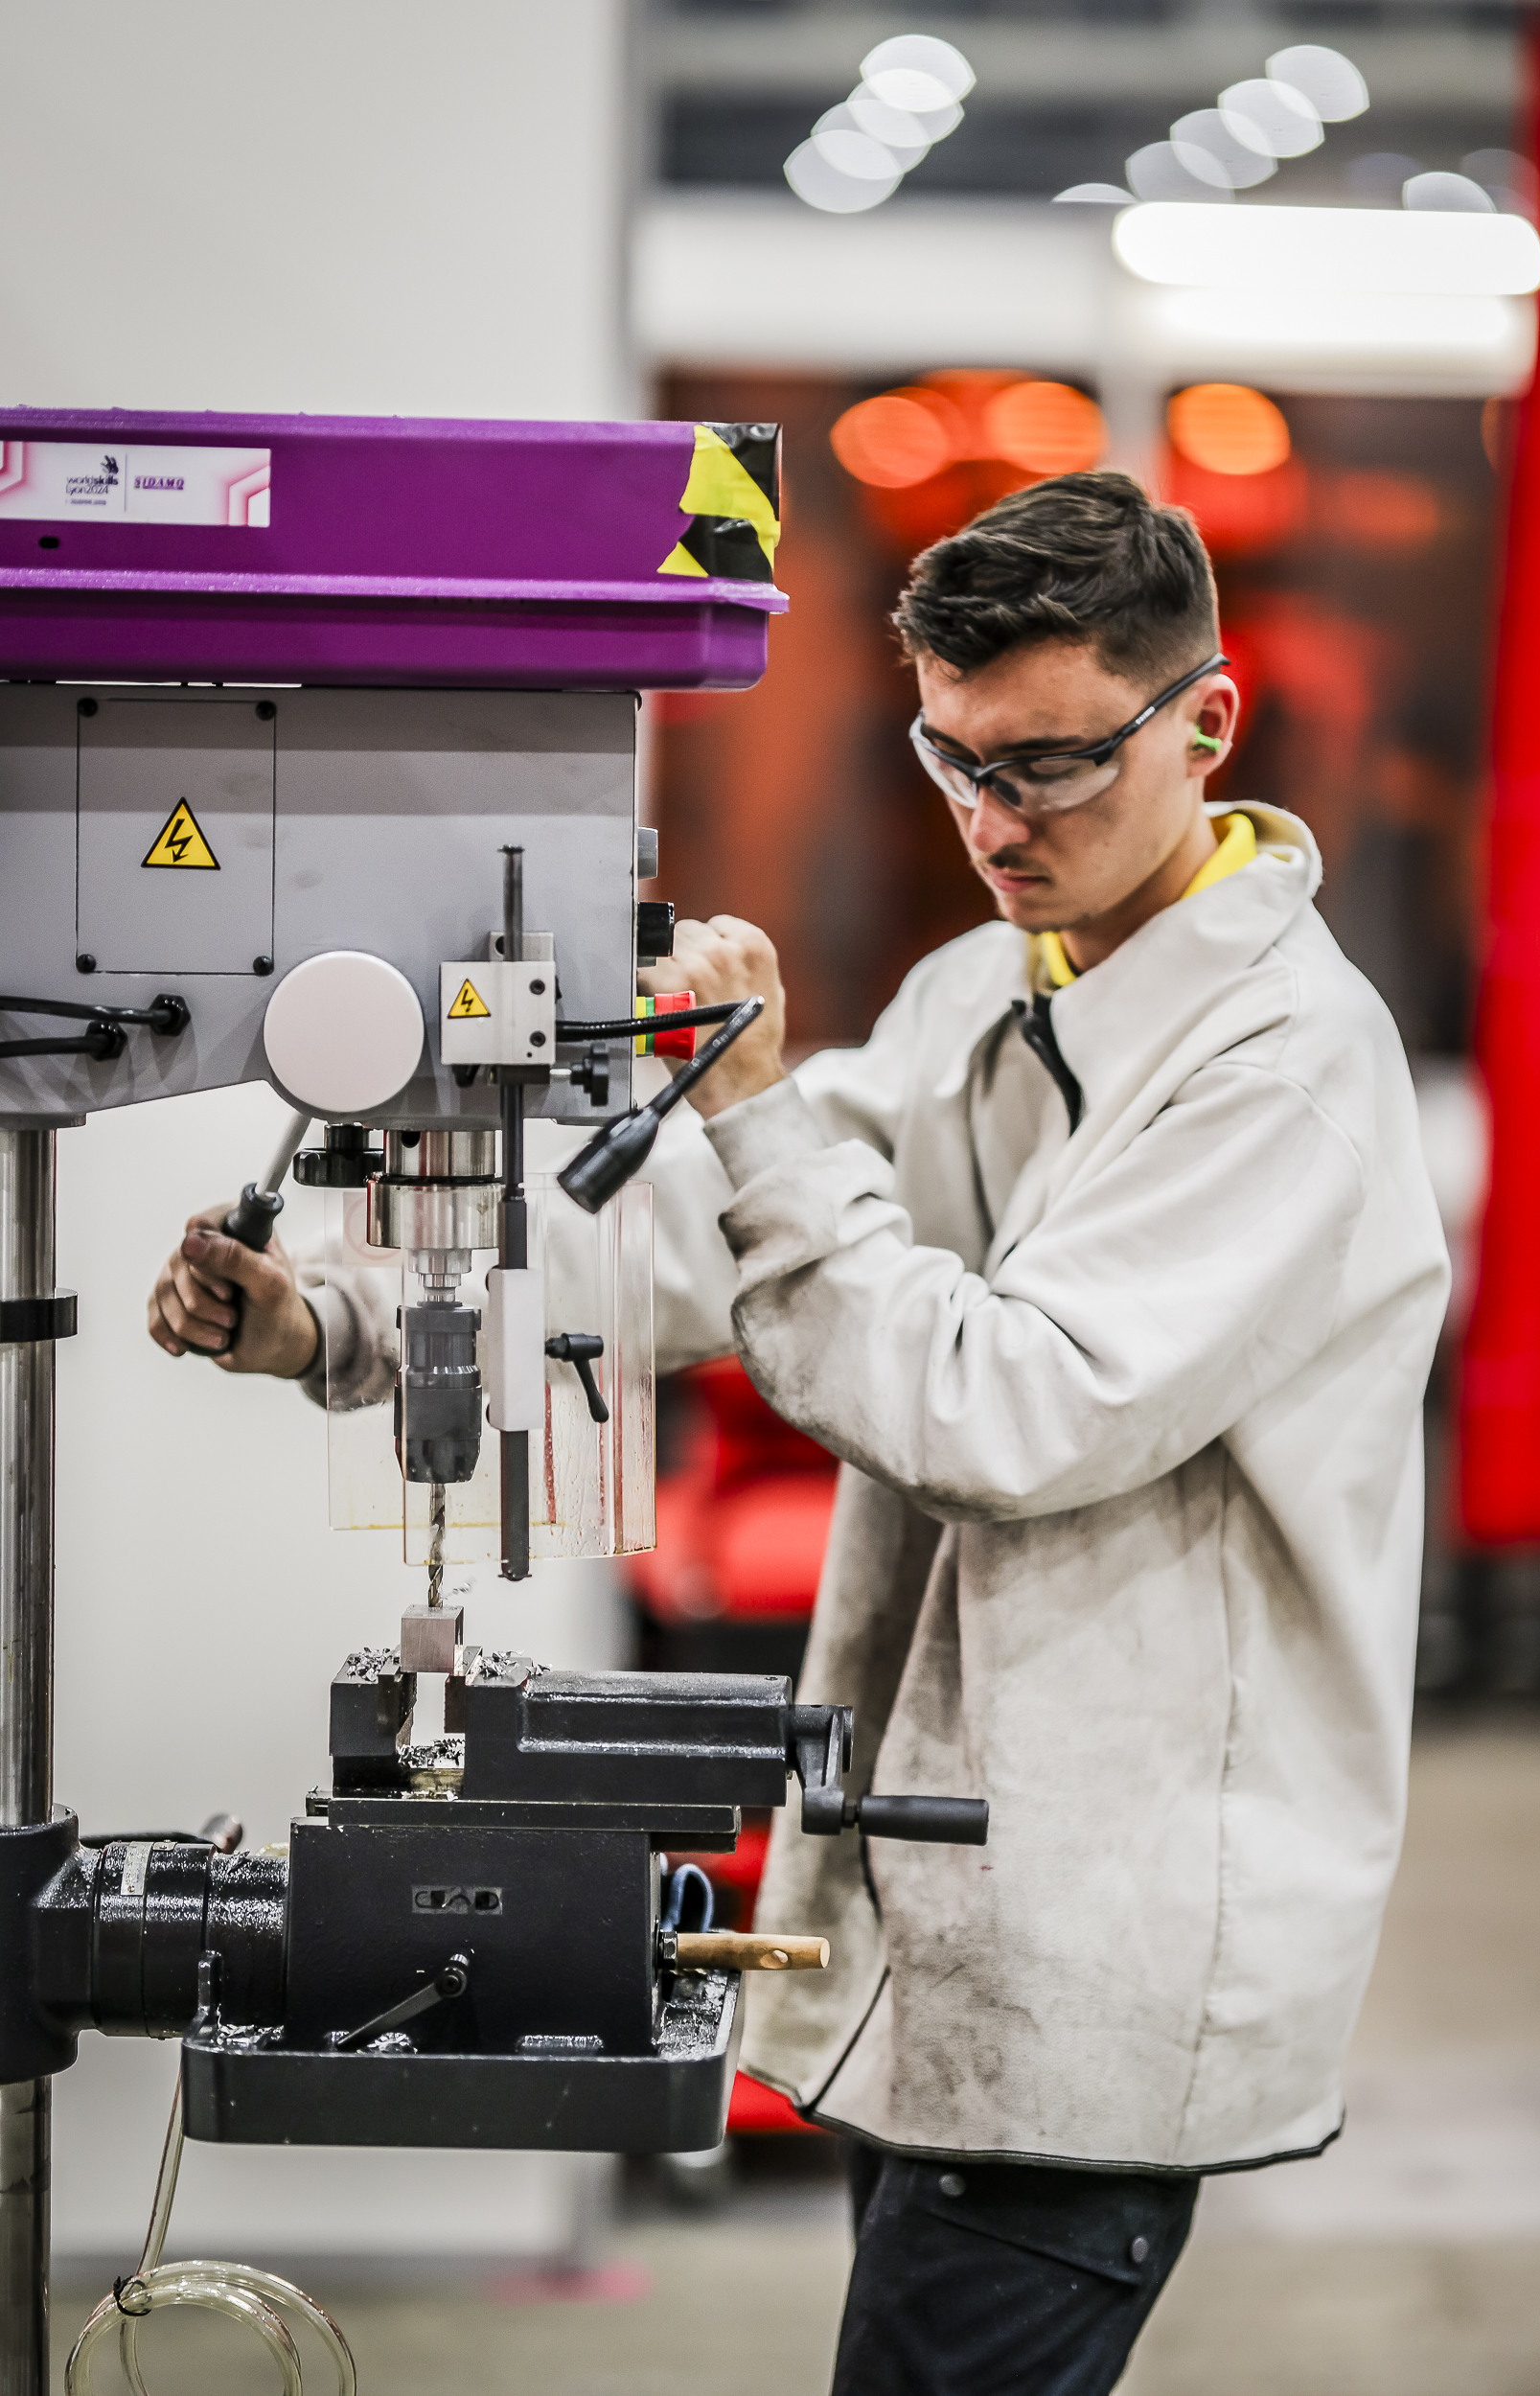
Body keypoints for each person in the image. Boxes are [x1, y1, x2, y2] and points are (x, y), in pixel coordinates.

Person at [149, 471, 1450, 2396]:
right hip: (944, 1919)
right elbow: (708, 1245)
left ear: (1208, 721)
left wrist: (750, 1107)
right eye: (951, 759)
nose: (995, 823)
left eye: (1052, 766)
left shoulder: (1284, 1074)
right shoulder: (991, 986)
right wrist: (336, 1311)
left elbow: (999, 1407)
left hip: (1104, 1944)